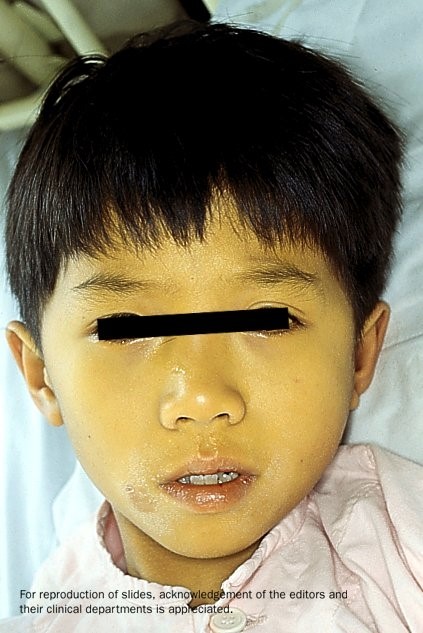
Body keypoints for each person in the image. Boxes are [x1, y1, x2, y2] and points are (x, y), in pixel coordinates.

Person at [1, 20, 422, 633]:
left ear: (360, 355)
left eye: (267, 321)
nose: (201, 398)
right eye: (126, 328)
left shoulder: (397, 537)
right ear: (41, 375)